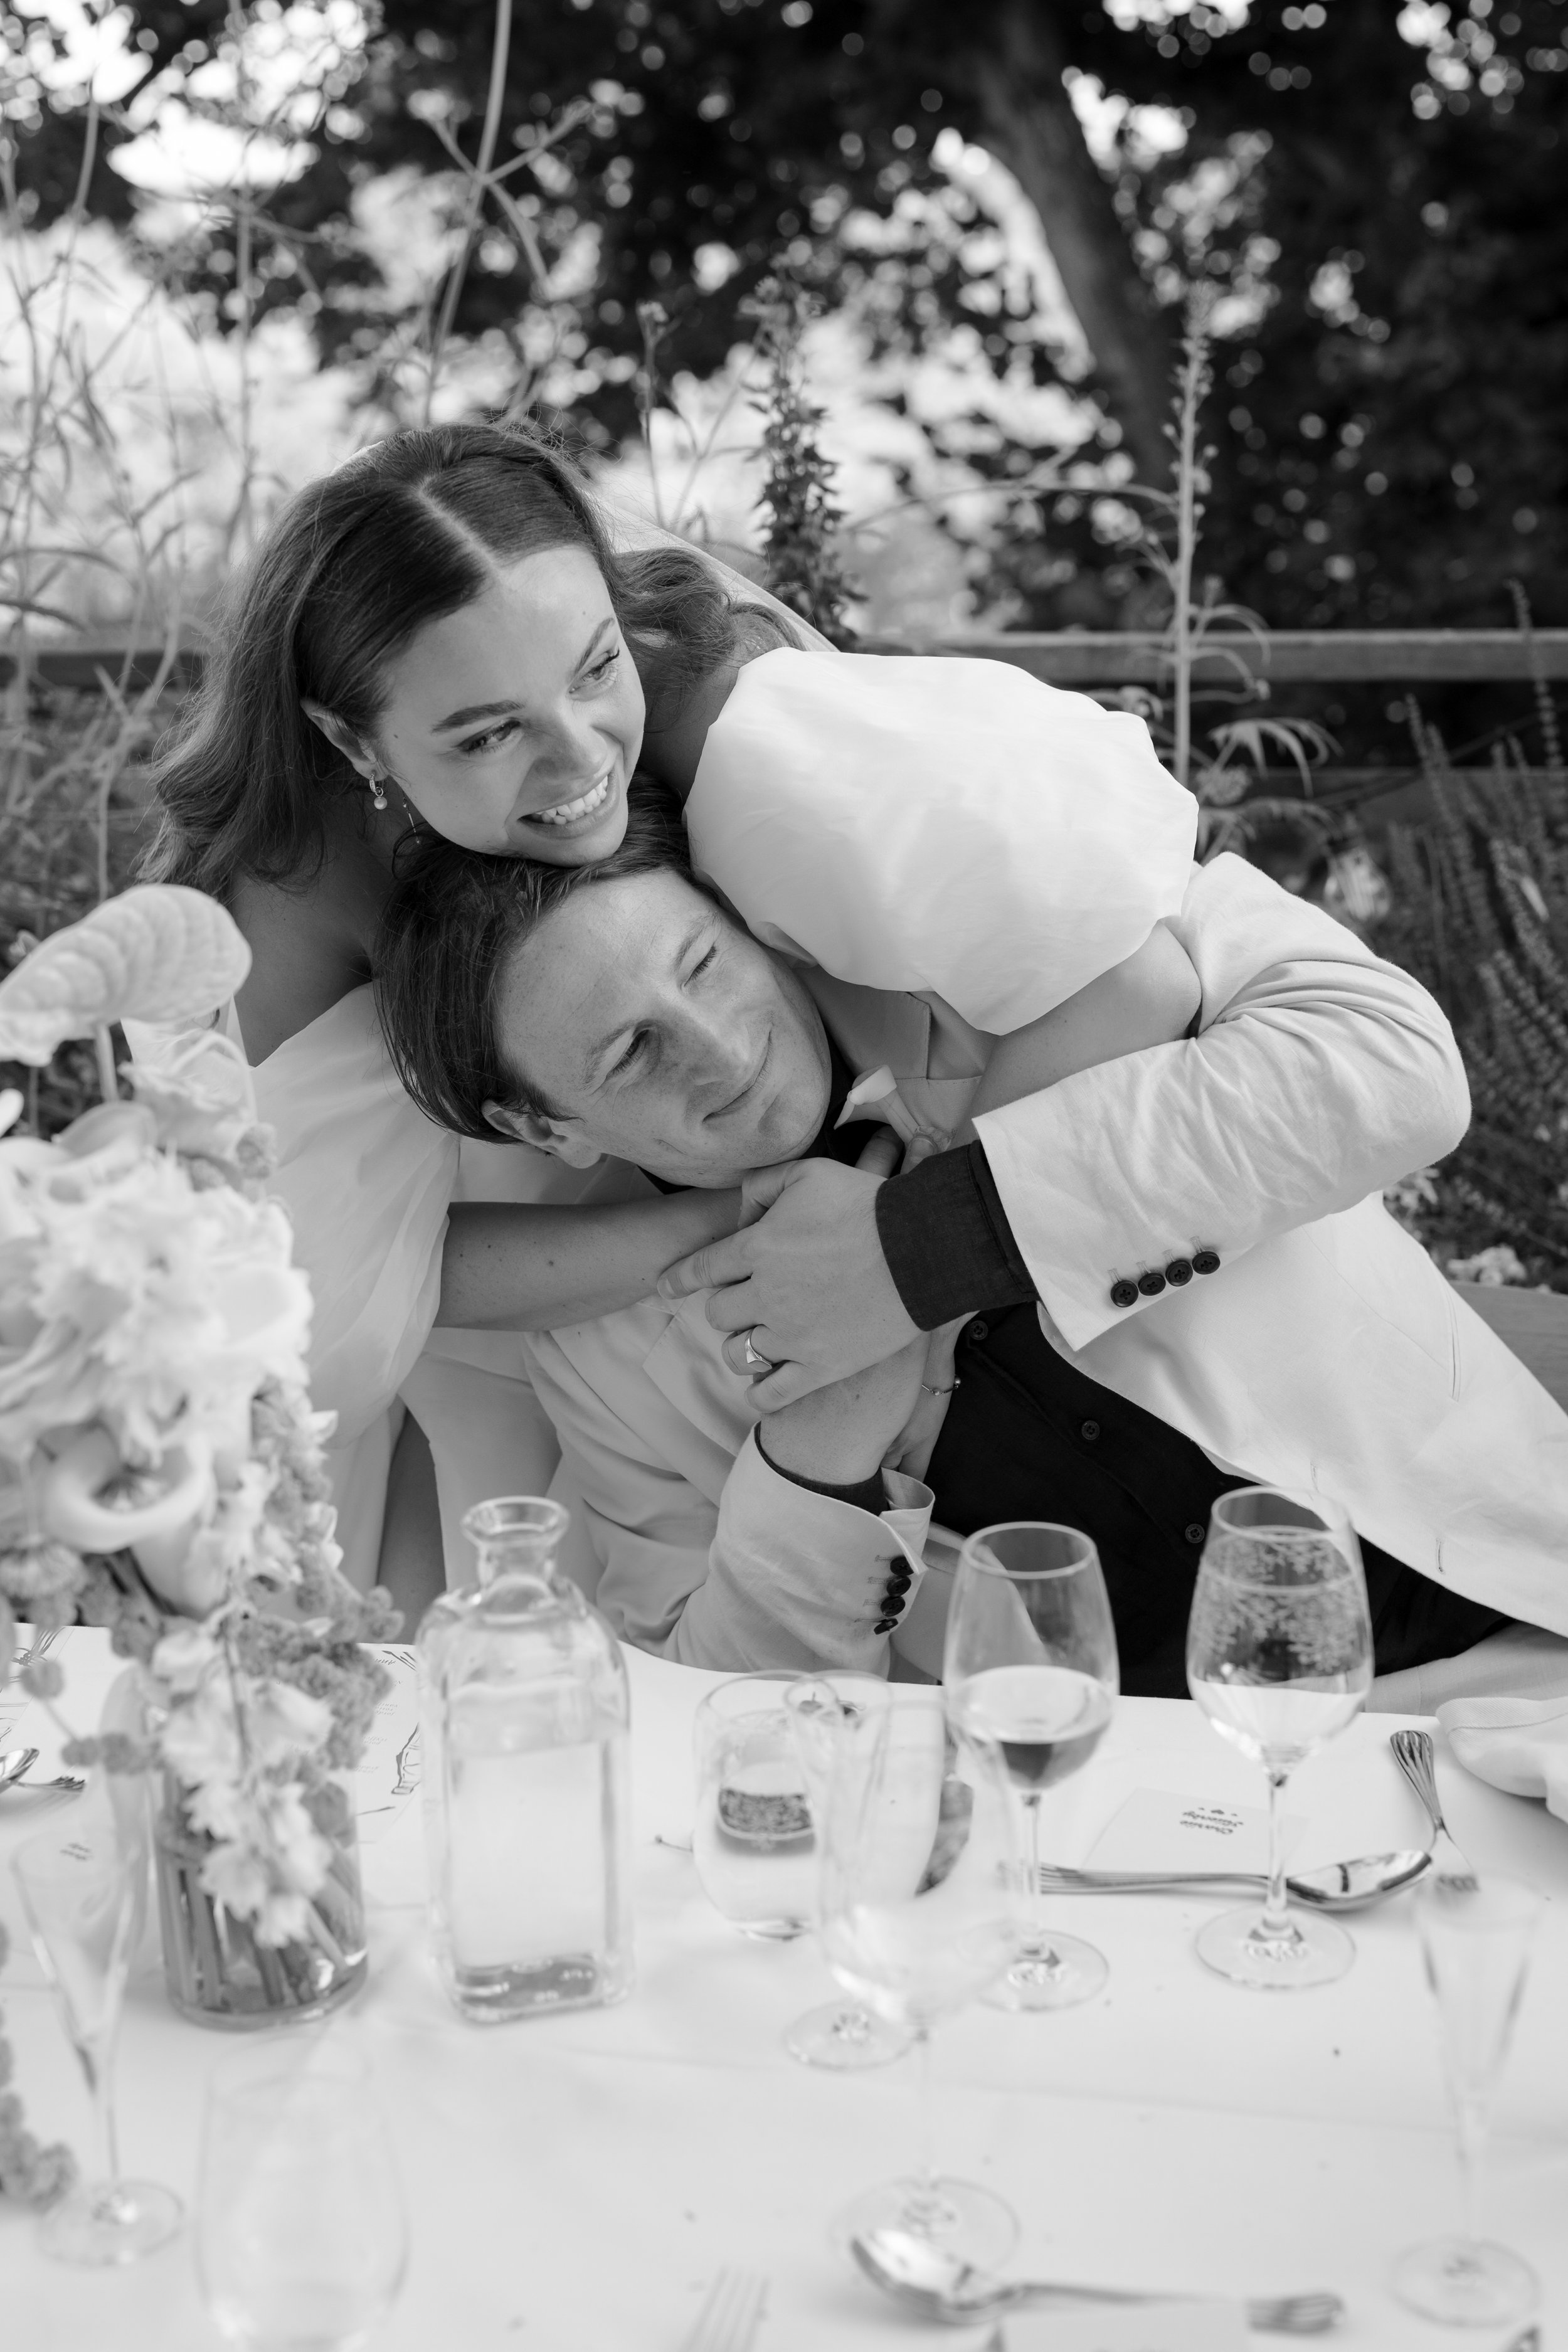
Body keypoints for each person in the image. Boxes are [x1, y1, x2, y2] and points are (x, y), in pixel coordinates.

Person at [137, 421, 1199, 1582]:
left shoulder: (729, 721)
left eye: (594, 667)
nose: (580, 758)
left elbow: (1120, 969)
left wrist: (897, 1249)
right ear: (352, 738)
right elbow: (310, 1277)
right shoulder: (288, 890)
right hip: (495, 1261)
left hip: (707, 1135)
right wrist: (742, 1226)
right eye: (487, 733)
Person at [372, 783, 1568, 1700]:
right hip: (1125, 1828)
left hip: (1520, 1645)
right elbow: (707, 1708)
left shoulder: (1021, 943)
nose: (721, 1050)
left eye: (704, 965)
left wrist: (922, 1247)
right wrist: (809, 1473)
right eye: (630, 1053)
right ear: (545, 1126)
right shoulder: (603, 1360)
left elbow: (1395, 1070)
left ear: (744, 920)